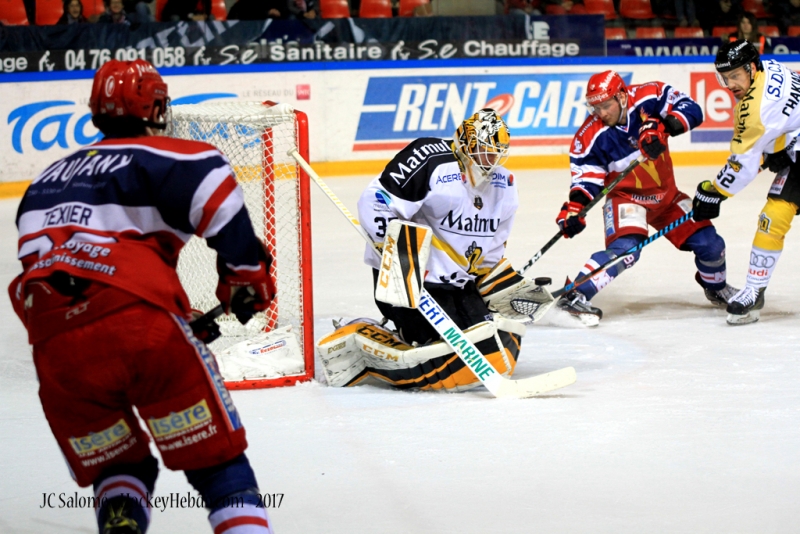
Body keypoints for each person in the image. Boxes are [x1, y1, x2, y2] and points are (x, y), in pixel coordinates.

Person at [8, 59, 275, 534]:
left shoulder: (41, 183)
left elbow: (56, 278)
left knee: (118, 467)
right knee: (217, 463)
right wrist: (245, 284)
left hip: (56, 345)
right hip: (140, 325)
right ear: (153, 105)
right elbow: (224, 212)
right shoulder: (181, 158)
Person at [317, 109, 537, 391]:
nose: (490, 161)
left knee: (486, 340)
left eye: (497, 153)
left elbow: (493, 245)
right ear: (467, 145)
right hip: (408, 279)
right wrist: (395, 247)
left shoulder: (503, 185)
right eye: (484, 152)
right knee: (440, 343)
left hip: (458, 284)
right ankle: (364, 330)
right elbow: (375, 201)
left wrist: (499, 283)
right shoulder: (430, 159)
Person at [555, 70, 737, 326]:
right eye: (594, 107)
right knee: (626, 250)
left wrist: (662, 127)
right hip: (626, 199)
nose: (600, 113)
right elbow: (586, 180)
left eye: (605, 105)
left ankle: (716, 287)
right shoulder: (588, 137)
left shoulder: (649, 96)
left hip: (667, 197)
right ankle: (575, 294)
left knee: (711, 244)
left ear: (621, 96)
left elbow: (692, 109)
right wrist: (575, 209)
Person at [693, 40, 800, 325]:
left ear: (752, 68)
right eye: (724, 77)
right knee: (772, 217)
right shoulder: (773, 68)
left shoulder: (754, 111)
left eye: (735, 76)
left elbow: (742, 165)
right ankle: (754, 290)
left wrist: (714, 192)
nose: (729, 84)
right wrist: (779, 149)